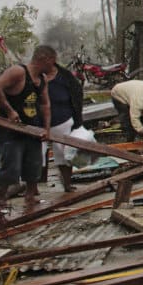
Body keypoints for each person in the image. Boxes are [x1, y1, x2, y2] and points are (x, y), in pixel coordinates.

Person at [0, 45, 54, 205]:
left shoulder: (42, 79)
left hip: (33, 129)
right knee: (10, 169)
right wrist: (9, 111)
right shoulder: (18, 72)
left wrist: (46, 128)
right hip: (12, 131)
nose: (53, 67)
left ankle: (30, 198)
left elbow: (45, 104)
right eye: (52, 62)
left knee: (33, 167)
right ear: (43, 59)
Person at [42, 58, 84, 192]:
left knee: (65, 154)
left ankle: (67, 183)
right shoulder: (34, 78)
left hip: (62, 120)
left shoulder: (65, 78)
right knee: (35, 155)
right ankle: (33, 187)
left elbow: (77, 97)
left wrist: (77, 120)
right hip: (37, 122)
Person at [109, 79, 143, 143]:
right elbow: (134, 118)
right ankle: (129, 140)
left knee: (139, 118)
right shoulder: (139, 100)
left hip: (132, 92)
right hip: (118, 93)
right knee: (128, 117)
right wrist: (142, 132)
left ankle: (139, 134)